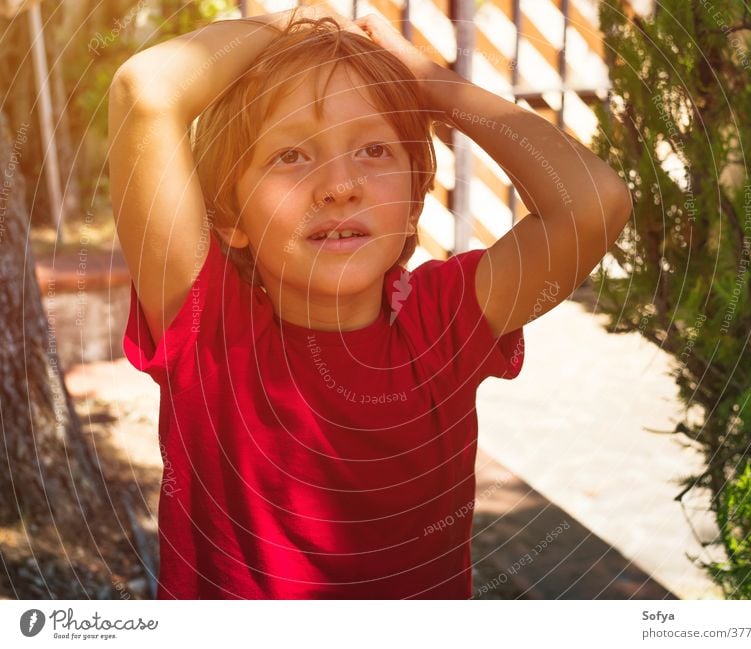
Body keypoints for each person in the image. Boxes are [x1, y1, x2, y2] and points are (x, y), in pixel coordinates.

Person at [109, 7, 631, 599]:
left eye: (375, 151)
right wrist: (293, 22)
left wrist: (434, 85)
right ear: (231, 216)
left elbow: (595, 203)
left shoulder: (445, 322)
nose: (340, 185)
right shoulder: (206, 328)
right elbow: (145, 91)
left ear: (413, 202)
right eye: (291, 155)